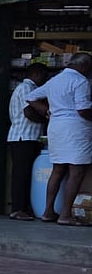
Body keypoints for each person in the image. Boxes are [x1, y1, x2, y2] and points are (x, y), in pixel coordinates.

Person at [27, 53, 92, 225]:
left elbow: (31, 96)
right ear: (84, 66)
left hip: (56, 128)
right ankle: (65, 215)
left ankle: (48, 212)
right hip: (75, 129)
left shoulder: (55, 80)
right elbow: (83, 109)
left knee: (57, 170)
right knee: (76, 171)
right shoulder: (80, 81)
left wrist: (45, 110)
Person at [8, 63, 50, 220]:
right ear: (37, 75)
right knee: (22, 175)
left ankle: (23, 208)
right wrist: (46, 119)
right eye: (44, 77)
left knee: (24, 174)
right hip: (23, 137)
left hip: (25, 137)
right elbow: (29, 113)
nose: (45, 81)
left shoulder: (23, 88)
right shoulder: (27, 88)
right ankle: (18, 209)